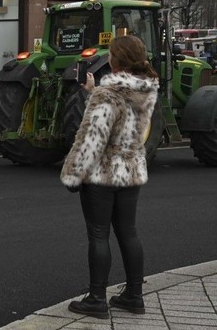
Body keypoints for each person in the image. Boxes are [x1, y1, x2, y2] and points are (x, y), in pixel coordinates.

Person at [60, 34, 159, 319]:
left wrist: (73, 174)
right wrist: (94, 93)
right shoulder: (146, 90)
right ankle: (134, 296)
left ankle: (96, 298)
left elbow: (93, 139)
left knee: (99, 235)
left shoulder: (108, 94)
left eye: (112, 55)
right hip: (130, 171)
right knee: (128, 232)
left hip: (102, 174)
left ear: (117, 61)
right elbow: (122, 119)